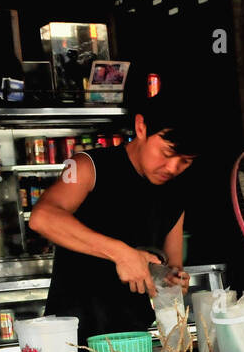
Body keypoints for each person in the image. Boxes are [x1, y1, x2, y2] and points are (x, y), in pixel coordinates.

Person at [29, 92, 201, 337]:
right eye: (166, 153)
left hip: (133, 339)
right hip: (72, 339)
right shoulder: (88, 166)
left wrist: (173, 279)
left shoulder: (175, 192)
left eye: (185, 161)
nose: (172, 168)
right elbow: (42, 217)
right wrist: (121, 253)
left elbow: (173, 267)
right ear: (141, 127)